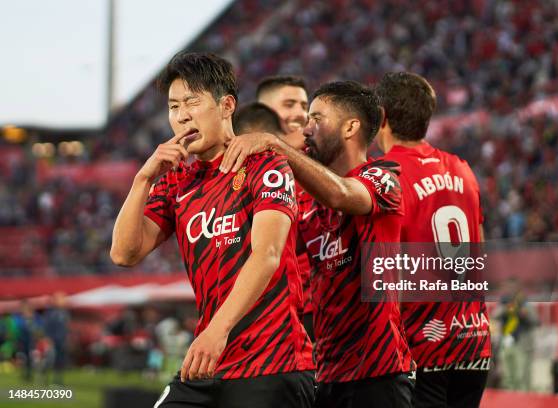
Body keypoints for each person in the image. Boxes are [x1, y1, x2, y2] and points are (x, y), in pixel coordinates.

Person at [110, 52, 314, 408]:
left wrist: (216, 331)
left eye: (192, 101)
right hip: (209, 361)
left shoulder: (265, 165)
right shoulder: (176, 181)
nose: (182, 115)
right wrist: (143, 179)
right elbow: (124, 253)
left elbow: (267, 255)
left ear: (226, 105)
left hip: (271, 360)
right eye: (174, 106)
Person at [220, 80, 415, 408]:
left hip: (378, 373)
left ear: (350, 126)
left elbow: (340, 193)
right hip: (325, 375)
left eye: (317, 119)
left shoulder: (384, 178)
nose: (307, 129)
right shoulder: (306, 200)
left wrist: (276, 144)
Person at [375, 72, 491, 408]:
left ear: (380, 116)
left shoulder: (386, 173)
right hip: (473, 342)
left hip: (422, 345)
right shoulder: (462, 170)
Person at [256, 75, 315, 341]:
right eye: (289, 104)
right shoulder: (248, 169)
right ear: (264, 111)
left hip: (320, 311)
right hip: (273, 312)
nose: (301, 114)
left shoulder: (321, 164)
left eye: (304, 106)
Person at [42, 292, 69, 385]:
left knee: (60, 361)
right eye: (61, 299)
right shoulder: (51, 313)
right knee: (50, 360)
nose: (63, 301)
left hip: (62, 341)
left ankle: (57, 380)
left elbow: (65, 327)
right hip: (53, 341)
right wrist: (48, 339)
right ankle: (45, 377)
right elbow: (47, 327)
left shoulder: (65, 313)